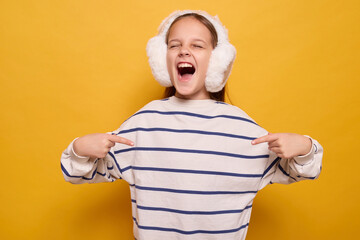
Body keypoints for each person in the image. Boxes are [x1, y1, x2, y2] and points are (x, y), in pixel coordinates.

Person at [61, 10, 323, 240]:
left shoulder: (242, 129)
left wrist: (305, 146)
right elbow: (77, 172)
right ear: (161, 59)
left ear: (217, 61)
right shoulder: (144, 124)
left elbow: (302, 170)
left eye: (197, 46)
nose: (184, 51)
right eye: (175, 45)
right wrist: (79, 149)